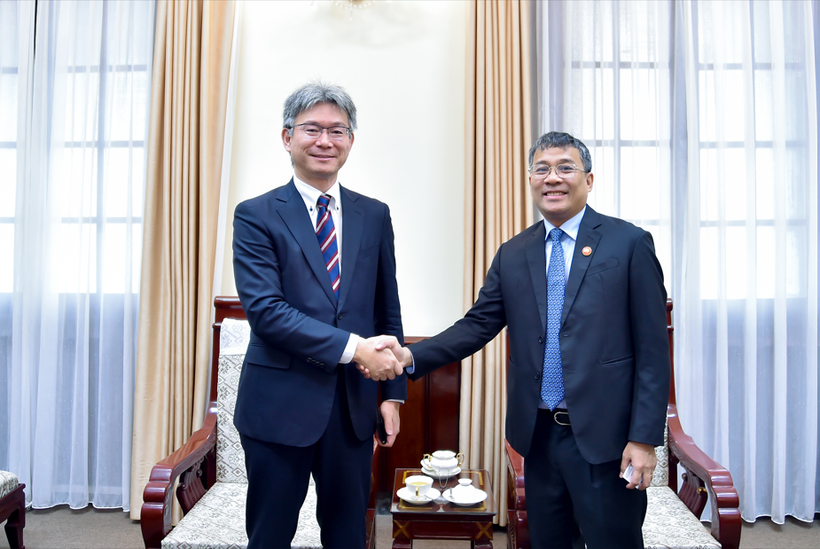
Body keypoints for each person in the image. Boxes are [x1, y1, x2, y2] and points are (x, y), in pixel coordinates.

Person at [371, 131, 671, 548]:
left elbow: (654, 352)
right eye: (542, 169)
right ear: (530, 179)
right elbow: (476, 326)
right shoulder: (514, 252)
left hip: (608, 439)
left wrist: (642, 439)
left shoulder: (629, 243)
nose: (553, 178)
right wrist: (408, 356)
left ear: (589, 179)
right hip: (540, 436)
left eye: (566, 168)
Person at [232, 81, 406, 549]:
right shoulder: (256, 215)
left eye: (338, 130)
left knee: (348, 534)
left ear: (351, 140)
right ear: (287, 137)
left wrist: (393, 394)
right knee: (270, 535)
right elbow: (266, 312)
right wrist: (355, 350)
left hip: (351, 409)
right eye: (312, 129)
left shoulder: (374, 214)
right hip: (277, 406)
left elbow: (385, 307)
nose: (325, 141)